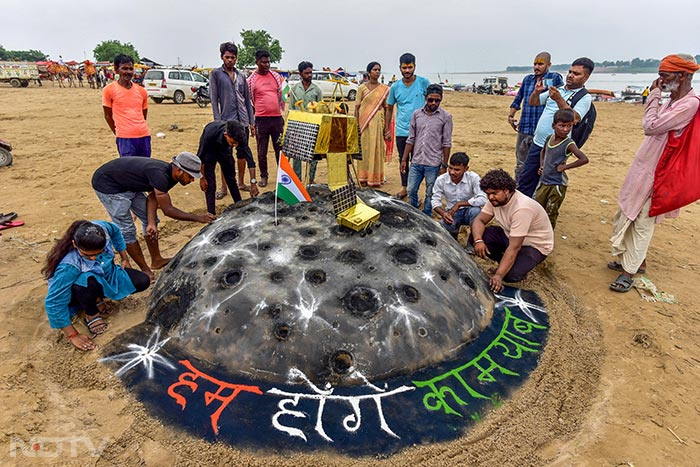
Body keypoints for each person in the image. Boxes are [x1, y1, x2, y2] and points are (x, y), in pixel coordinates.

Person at [608, 54, 700, 293]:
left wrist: (654, 96)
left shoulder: (689, 103)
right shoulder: (672, 100)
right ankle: (636, 262)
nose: (660, 79)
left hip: (659, 172)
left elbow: (651, 127)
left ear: (683, 75)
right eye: (660, 74)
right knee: (628, 210)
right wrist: (659, 99)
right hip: (644, 165)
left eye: (665, 74)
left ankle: (628, 272)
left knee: (643, 221)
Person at [91, 153, 215, 280]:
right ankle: (145, 269)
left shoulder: (171, 175)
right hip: (108, 185)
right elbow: (168, 210)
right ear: (179, 171)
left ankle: (156, 260)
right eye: (190, 176)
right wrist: (198, 218)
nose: (192, 180)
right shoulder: (160, 175)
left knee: (152, 220)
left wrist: (150, 222)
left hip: (128, 183)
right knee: (127, 229)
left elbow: (152, 196)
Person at [42, 220, 151, 351]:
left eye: (99, 253)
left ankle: (98, 299)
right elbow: (54, 302)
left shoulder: (102, 229)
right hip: (79, 288)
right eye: (87, 255)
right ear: (74, 244)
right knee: (86, 279)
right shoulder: (69, 266)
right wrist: (73, 335)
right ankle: (91, 314)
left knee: (142, 281)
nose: (93, 258)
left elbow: (115, 230)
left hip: (105, 274)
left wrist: (124, 257)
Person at [517, 57, 595, 198]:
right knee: (526, 178)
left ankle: (539, 211)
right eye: (570, 72)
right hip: (538, 141)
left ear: (586, 77)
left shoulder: (584, 97)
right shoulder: (558, 89)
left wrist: (559, 99)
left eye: (576, 74)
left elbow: (575, 118)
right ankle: (522, 208)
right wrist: (536, 92)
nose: (570, 75)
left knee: (548, 182)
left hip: (557, 148)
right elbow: (533, 102)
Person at [469, 169, 554, 292]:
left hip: (534, 245)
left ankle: (516, 267)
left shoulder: (522, 208)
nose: (491, 197)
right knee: (476, 237)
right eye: (488, 194)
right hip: (510, 235)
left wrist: (498, 275)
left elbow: (514, 247)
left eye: (494, 193)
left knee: (510, 276)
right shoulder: (494, 200)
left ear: (507, 190)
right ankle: (504, 263)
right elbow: (479, 221)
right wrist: (478, 240)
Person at [209, 42, 256, 198]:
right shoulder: (216, 74)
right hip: (226, 121)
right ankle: (224, 187)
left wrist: (251, 121)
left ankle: (241, 182)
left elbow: (247, 100)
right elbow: (214, 98)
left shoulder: (242, 76)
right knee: (225, 156)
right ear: (222, 57)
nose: (230, 60)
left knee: (242, 153)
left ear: (236, 59)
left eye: (233, 57)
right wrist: (218, 121)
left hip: (242, 121)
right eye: (227, 57)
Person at [508, 52, 564, 183]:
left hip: (543, 131)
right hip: (525, 128)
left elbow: (562, 96)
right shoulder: (528, 80)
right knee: (521, 162)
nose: (536, 67)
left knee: (542, 163)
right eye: (535, 64)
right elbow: (518, 99)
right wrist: (511, 115)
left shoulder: (554, 78)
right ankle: (519, 188)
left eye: (540, 64)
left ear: (548, 65)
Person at [401, 84, 453, 215]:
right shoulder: (417, 114)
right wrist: (404, 159)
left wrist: (444, 165)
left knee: (431, 193)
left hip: (433, 163)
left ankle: (427, 214)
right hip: (416, 161)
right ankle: (413, 211)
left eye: (437, 100)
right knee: (411, 190)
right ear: (426, 98)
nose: (434, 103)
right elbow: (411, 138)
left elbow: (446, 143)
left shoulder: (446, 117)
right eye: (431, 100)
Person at [384, 53, 431, 199]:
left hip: (421, 130)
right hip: (402, 131)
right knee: (403, 160)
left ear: (414, 67)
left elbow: (432, 102)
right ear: (400, 68)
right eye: (404, 67)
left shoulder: (424, 83)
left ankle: (415, 189)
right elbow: (389, 108)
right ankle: (405, 188)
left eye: (410, 67)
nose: (407, 70)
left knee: (419, 161)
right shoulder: (395, 87)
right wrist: (386, 129)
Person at [533, 109, 589, 228]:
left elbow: (583, 159)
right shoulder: (549, 138)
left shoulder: (569, 143)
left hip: (557, 184)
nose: (565, 129)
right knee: (538, 208)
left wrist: (565, 167)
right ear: (554, 126)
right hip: (544, 181)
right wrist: (542, 165)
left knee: (551, 212)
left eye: (569, 126)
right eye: (562, 125)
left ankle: (548, 236)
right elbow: (543, 151)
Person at [197, 120, 259, 215]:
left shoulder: (239, 137)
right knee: (210, 185)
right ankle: (211, 215)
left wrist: (253, 183)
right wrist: (202, 178)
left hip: (225, 152)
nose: (235, 146)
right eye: (233, 142)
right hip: (210, 152)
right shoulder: (210, 134)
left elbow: (250, 161)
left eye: (237, 143)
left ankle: (239, 207)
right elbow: (200, 158)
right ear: (226, 135)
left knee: (231, 180)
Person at [247, 49, 285, 187]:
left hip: (276, 119)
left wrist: (281, 116)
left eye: (268, 62)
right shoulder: (251, 80)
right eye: (263, 62)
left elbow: (281, 95)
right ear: (257, 62)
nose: (267, 64)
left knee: (280, 150)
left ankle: (283, 177)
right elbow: (250, 101)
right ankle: (264, 176)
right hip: (261, 120)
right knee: (262, 151)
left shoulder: (275, 76)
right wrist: (252, 121)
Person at [102, 54, 151, 158]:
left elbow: (143, 114)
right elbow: (108, 116)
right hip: (125, 138)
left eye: (130, 69)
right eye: (124, 68)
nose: (128, 72)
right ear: (116, 70)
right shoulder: (109, 90)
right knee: (128, 171)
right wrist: (118, 132)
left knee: (144, 169)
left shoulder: (142, 91)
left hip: (144, 136)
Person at [431, 151, 486, 240]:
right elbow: (434, 200)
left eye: (457, 170)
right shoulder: (441, 179)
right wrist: (443, 213)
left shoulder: (473, 178)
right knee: (442, 226)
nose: (452, 172)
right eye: (450, 168)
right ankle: (453, 237)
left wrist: (460, 204)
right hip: (451, 214)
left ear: (466, 169)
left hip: (470, 211)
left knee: (476, 212)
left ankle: (472, 242)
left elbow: (483, 198)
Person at [354, 61, 390, 187]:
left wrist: (387, 128)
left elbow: (387, 108)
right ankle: (363, 177)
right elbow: (357, 108)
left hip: (377, 123)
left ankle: (375, 178)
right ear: (369, 72)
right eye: (375, 70)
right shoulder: (361, 88)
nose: (377, 72)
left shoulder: (384, 89)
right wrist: (356, 125)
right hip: (363, 124)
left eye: (379, 70)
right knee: (364, 150)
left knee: (376, 149)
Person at [289, 61, 323, 183]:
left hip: (313, 126)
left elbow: (321, 109)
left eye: (310, 72)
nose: (309, 75)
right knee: (296, 155)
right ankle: (297, 179)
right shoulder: (294, 89)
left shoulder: (317, 90)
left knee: (313, 154)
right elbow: (291, 109)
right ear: (300, 73)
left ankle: (311, 178)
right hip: (298, 126)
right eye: (306, 73)